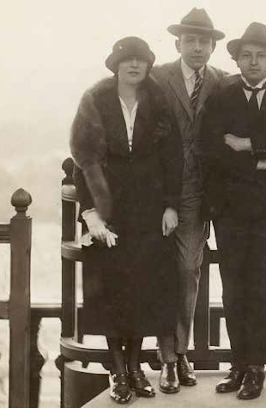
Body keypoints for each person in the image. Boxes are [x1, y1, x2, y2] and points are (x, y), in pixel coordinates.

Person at [69, 36, 182, 404]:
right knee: (113, 291)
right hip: (109, 209)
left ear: (148, 65)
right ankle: (118, 370)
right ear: (115, 65)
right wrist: (91, 215)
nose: (134, 66)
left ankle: (136, 368)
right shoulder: (95, 101)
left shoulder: (158, 101)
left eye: (141, 60)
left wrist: (170, 205)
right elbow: (84, 161)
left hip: (148, 210)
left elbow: (172, 158)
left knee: (143, 289)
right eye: (127, 60)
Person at [200, 22, 266, 400]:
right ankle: (237, 364)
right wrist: (260, 162)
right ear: (237, 60)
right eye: (246, 56)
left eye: (260, 56)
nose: (253, 62)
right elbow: (212, 151)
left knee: (262, 285)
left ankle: (257, 367)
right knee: (233, 288)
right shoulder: (221, 98)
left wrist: (248, 144)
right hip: (230, 210)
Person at [150, 8, 227, 394]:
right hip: (159, 191)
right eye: (190, 40)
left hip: (200, 194)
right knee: (164, 272)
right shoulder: (156, 77)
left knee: (187, 269)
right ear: (178, 43)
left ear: (213, 46)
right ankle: (167, 358)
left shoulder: (222, 82)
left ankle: (180, 352)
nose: (197, 47)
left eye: (205, 41)